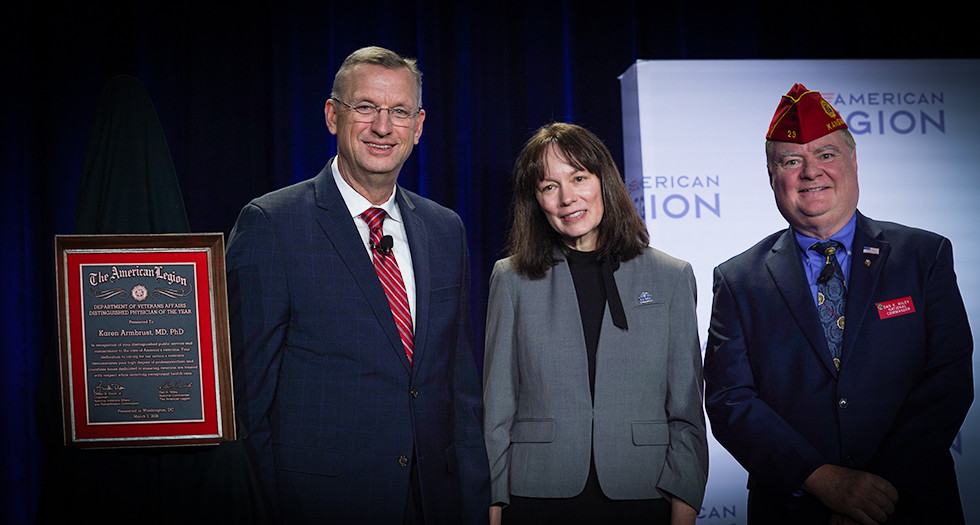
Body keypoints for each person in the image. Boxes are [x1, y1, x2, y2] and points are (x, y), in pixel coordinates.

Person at [226, 46, 490, 524]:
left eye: (399, 112)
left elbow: (459, 386)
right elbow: (247, 402)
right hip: (321, 504)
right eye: (365, 107)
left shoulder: (444, 228)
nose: (383, 127)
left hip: (434, 501)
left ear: (420, 125)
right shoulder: (272, 224)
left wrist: (474, 500)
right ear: (333, 115)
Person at [703, 83, 974, 524]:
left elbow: (948, 380)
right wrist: (825, 481)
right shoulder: (738, 280)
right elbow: (731, 401)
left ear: (853, 161)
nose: (811, 172)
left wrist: (872, 493)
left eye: (826, 155)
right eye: (792, 161)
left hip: (911, 504)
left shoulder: (924, 256)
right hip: (794, 510)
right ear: (772, 177)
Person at [483, 122, 708, 525]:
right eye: (548, 186)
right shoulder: (511, 278)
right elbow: (498, 407)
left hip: (643, 490)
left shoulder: (671, 277)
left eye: (579, 178)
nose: (567, 197)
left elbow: (687, 411)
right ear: (536, 201)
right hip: (536, 493)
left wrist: (684, 506)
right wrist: (493, 503)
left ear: (604, 181)